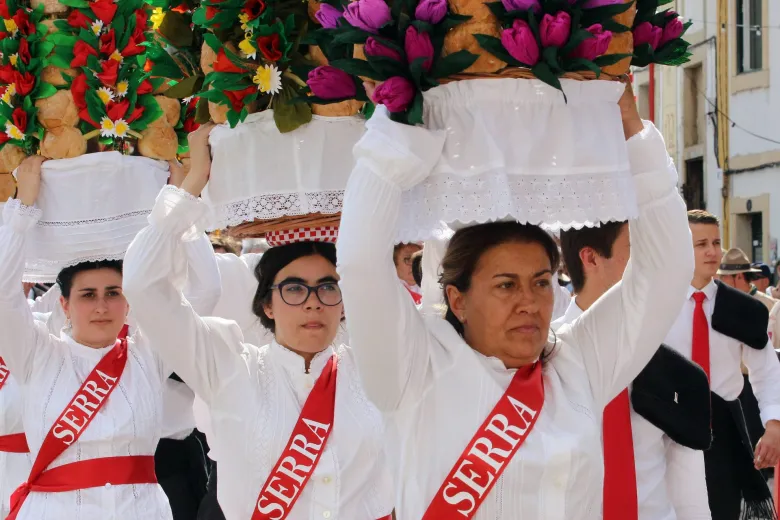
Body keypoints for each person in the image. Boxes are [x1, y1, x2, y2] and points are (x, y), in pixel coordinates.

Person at [336, 80, 693, 518]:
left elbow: (665, 271)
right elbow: (359, 263)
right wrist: (396, 130)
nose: (530, 302)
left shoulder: (577, 364)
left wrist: (632, 134)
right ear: (458, 299)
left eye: (542, 282)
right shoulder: (413, 366)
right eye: (506, 284)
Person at [123, 124, 395, 520]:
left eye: (327, 288)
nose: (312, 303)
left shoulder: (377, 371)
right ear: (267, 304)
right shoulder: (227, 365)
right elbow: (143, 285)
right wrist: (193, 184)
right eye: (294, 289)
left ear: (344, 302)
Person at [0, 156, 174, 520]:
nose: (101, 306)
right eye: (87, 295)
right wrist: (23, 210)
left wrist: (176, 203)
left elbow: (203, 292)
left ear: (129, 301)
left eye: (113, 292)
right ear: (63, 303)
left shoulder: (149, 354)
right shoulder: (36, 355)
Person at [557, 221, 711, 520]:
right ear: (590, 258)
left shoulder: (672, 367)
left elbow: (688, 484)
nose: (651, 262)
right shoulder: (540, 362)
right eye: (637, 250)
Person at [664, 211, 780, 520]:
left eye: (716, 242)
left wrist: (774, 424)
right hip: (668, 433)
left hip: (724, 438)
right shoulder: (659, 306)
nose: (712, 251)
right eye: (700, 243)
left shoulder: (742, 309)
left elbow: (766, 370)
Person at [717, 249, 780, 348]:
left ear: (739, 276)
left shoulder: (772, 307)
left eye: (724, 276)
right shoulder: (720, 305)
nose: (721, 280)